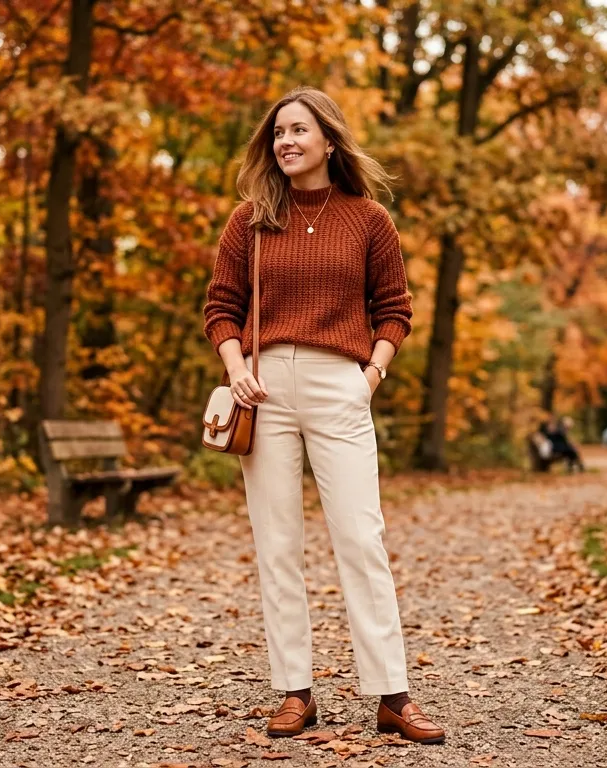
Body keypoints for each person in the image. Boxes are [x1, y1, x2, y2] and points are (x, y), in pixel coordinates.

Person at [202, 86, 443, 745]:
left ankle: (393, 695)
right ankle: (295, 691)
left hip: (342, 383)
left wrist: (370, 375)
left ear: (328, 141)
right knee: (278, 543)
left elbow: (395, 309)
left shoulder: (368, 220)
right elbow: (220, 306)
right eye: (278, 132)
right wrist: (236, 366)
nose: (286, 141)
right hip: (264, 389)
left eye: (299, 130)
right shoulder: (248, 220)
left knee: (361, 539)